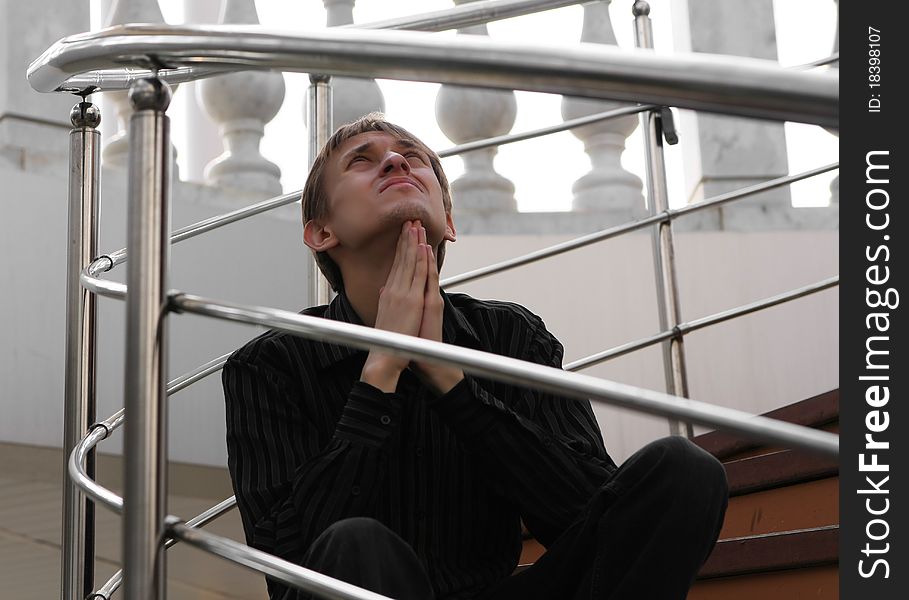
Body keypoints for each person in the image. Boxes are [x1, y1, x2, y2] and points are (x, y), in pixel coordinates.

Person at [222, 113, 729, 600]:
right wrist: (381, 370)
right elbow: (289, 566)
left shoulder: (512, 336)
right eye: (362, 160)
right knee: (357, 543)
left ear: (449, 220)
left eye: (412, 157)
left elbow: (588, 515)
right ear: (320, 233)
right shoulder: (272, 365)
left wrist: (451, 380)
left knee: (684, 471)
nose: (397, 163)